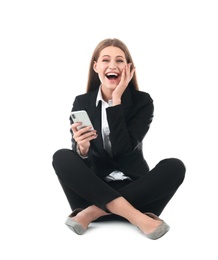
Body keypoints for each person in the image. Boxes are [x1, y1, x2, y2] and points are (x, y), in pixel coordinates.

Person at [52, 38, 186, 240]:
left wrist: (116, 101)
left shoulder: (143, 101)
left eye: (120, 61)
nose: (113, 65)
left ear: (129, 68)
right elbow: (80, 163)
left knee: (175, 166)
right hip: (94, 191)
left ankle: (92, 213)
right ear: (96, 66)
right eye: (106, 60)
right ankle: (136, 218)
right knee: (61, 156)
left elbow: (124, 149)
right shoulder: (82, 102)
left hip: (138, 194)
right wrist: (83, 148)